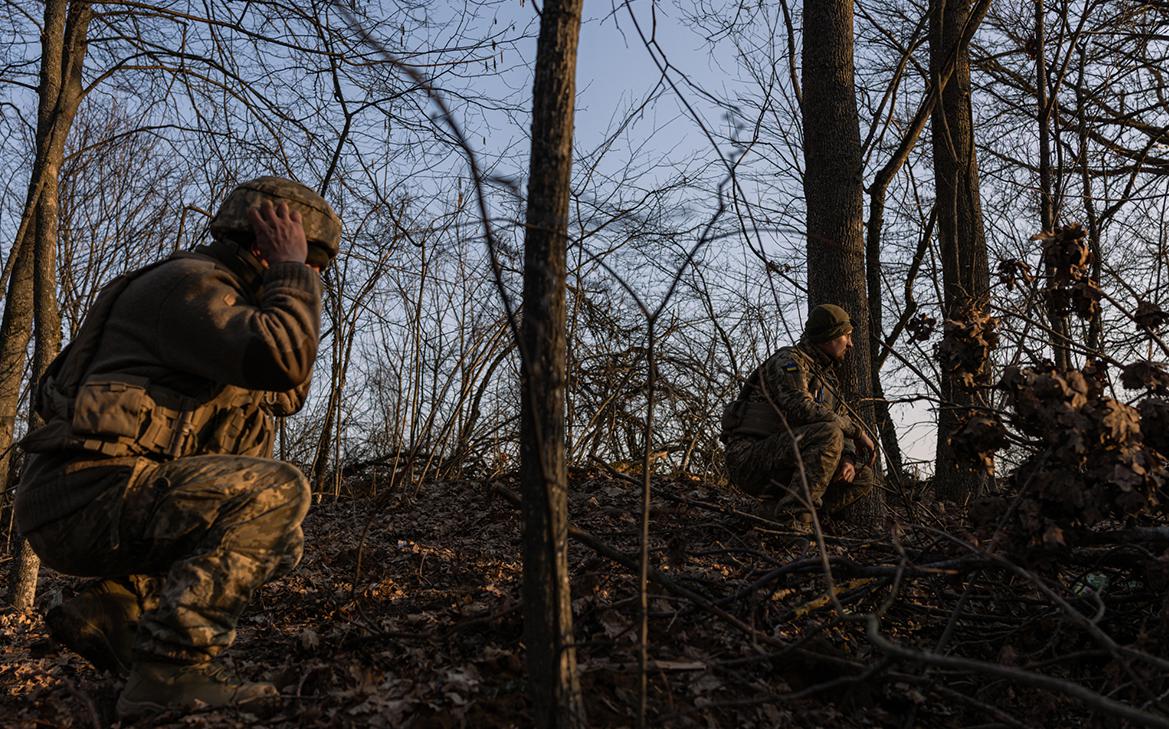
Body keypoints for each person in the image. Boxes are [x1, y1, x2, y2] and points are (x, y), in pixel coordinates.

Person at [14, 176, 340, 718]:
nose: (315, 276)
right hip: (84, 493)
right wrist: (290, 272)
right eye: (312, 261)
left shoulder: (228, 303)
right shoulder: (191, 285)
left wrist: (283, 283)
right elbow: (283, 359)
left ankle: (117, 608)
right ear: (264, 244)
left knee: (283, 539)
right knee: (276, 493)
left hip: (106, 492)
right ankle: (169, 671)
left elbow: (287, 392)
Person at [720, 303, 878, 532]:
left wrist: (848, 459)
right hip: (750, 458)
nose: (851, 344)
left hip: (787, 459)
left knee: (863, 476)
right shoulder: (789, 362)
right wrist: (858, 431)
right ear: (830, 336)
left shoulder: (829, 380)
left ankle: (780, 513)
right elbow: (801, 408)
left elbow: (840, 419)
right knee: (829, 434)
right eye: (847, 336)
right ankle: (794, 524)